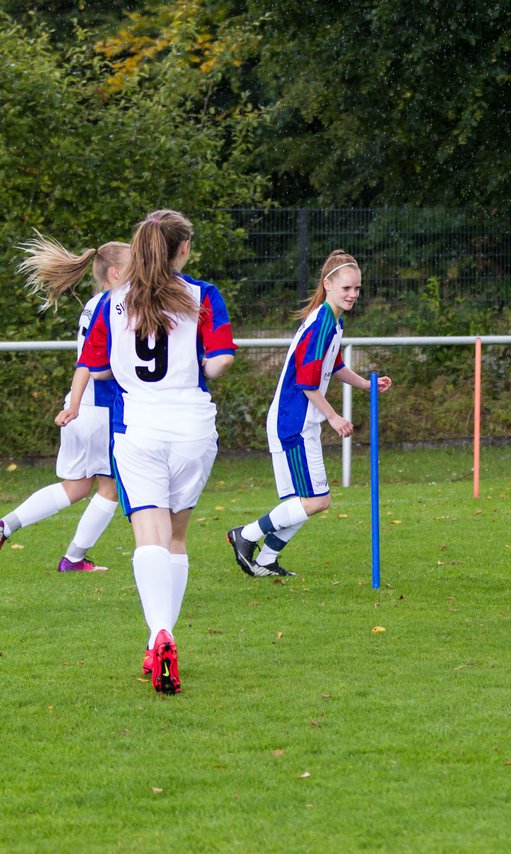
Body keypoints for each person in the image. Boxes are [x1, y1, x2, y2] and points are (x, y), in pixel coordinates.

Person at [80, 209, 237, 695]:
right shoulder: (203, 295)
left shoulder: (113, 300)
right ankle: (166, 636)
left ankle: (157, 635)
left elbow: (98, 369)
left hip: (138, 429)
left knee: (149, 534)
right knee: (177, 538)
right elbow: (217, 366)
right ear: (183, 248)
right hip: (192, 429)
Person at [227, 250, 392, 578]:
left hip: (299, 421)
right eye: (347, 288)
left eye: (357, 289)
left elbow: (334, 365)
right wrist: (334, 417)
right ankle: (245, 536)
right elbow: (306, 381)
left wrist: (365, 385)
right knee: (317, 500)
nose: (353, 294)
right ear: (328, 284)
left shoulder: (332, 320)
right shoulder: (322, 324)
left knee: (304, 501)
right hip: (293, 422)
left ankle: (266, 560)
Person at [0, 235, 130, 572]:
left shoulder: (94, 302)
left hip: (82, 405)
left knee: (77, 487)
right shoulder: (116, 305)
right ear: (115, 272)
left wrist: (73, 403)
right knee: (111, 487)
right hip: (99, 408)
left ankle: (6, 525)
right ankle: (73, 557)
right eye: (135, 265)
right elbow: (91, 363)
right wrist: (76, 404)